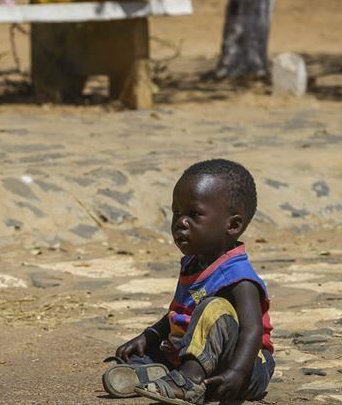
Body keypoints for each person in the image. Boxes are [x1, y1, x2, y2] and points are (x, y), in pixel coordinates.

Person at [102, 159, 274, 405]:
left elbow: (253, 331)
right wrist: (148, 336)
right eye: (176, 213)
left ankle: (189, 382)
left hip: (246, 366)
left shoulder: (238, 277)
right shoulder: (193, 263)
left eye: (194, 215)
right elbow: (178, 313)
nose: (180, 222)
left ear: (233, 225)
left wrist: (237, 372)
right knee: (147, 353)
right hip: (196, 353)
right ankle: (156, 375)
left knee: (213, 308)